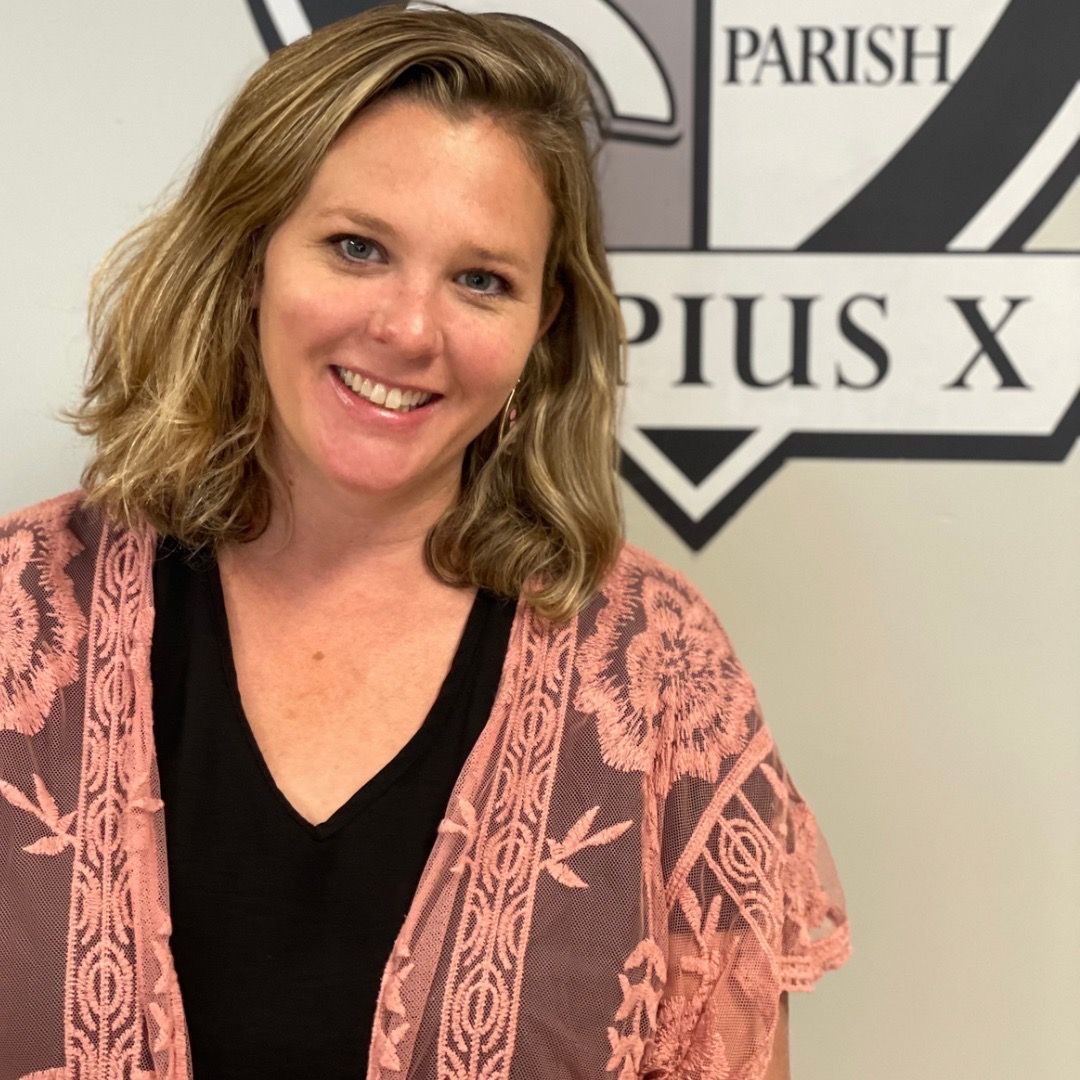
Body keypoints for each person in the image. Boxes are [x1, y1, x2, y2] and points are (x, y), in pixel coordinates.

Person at [0, 5, 850, 1078]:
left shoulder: (655, 672)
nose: (408, 328)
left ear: (544, 329)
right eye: (357, 248)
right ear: (249, 255)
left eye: (481, 279)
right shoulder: (19, 615)